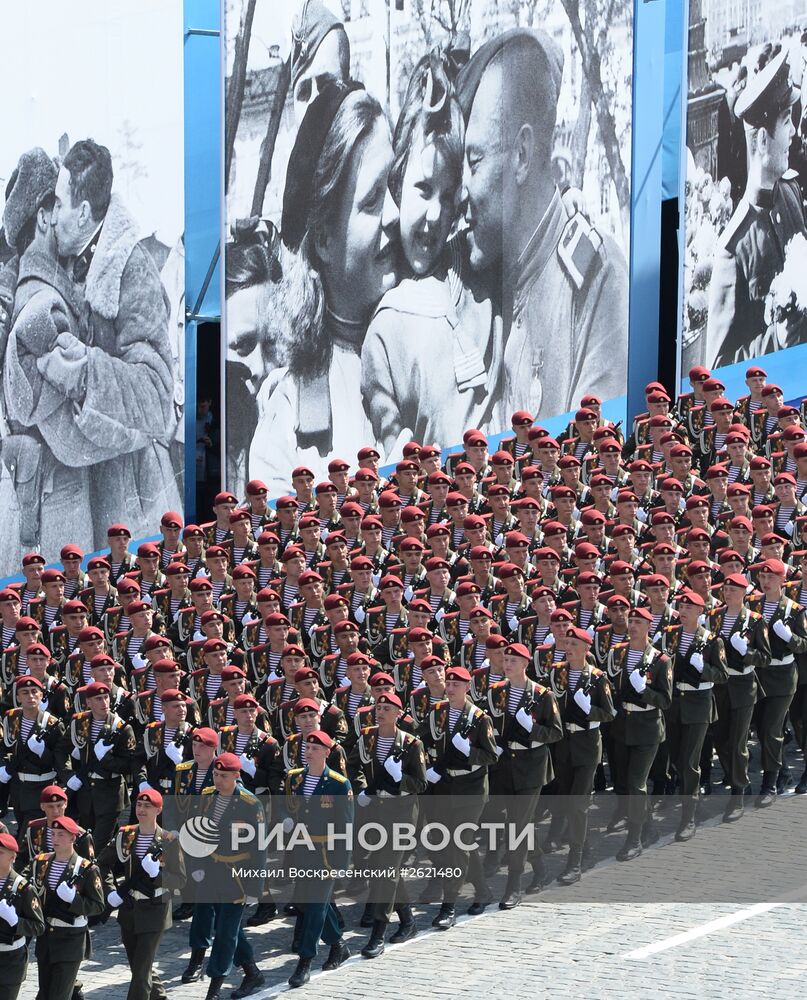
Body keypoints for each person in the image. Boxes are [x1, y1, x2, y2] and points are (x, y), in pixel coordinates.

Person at [455, 28, 628, 421]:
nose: (461, 190)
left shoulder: (596, 279)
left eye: (475, 161)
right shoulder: (485, 278)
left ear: (520, 154)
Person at [248, 79, 399, 491]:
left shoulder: (452, 322)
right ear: (325, 240)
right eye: (373, 201)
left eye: (396, 187)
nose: (396, 214)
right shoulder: (290, 418)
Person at [361, 49, 503, 459]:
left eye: (447, 195)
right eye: (423, 190)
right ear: (398, 180)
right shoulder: (384, 328)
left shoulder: (476, 267)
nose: (435, 215)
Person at [48, 139, 180, 547]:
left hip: (134, 500)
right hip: (89, 495)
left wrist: (86, 370)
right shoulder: (65, 261)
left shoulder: (131, 268)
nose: (52, 218)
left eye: (59, 205)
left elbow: (158, 397)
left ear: (84, 213)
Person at [1, 147, 93, 556]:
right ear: (42, 217)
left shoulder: (29, 287)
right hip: (58, 499)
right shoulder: (43, 300)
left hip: (33, 491)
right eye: (59, 205)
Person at [706, 52, 807, 367]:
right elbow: (717, 371)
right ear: (763, 140)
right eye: (786, 120)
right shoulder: (732, 249)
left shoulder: (790, 192)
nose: (793, 132)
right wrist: (775, 339)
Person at [186, 752, 265, 1000]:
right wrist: (196, 864)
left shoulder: (250, 804)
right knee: (224, 927)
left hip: (237, 875)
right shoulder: (208, 797)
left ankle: (215, 988)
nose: (218, 780)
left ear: (237, 776)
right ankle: (252, 972)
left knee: (225, 933)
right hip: (211, 870)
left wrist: (255, 886)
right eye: (216, 775)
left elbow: (258, 848)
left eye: (224, 776)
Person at [98, 788, 185, 1000]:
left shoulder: (168, 840)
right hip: (129, 908)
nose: (142, 809)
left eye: (148, 806)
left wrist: (157, 875)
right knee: (139, 966)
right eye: (138, 805)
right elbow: (102, 864)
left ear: (158, 810)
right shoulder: (125, 835)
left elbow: (180, 880)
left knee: (140, 973)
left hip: (155, 909)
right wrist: (110, 891)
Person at [285, 729, 353, 989]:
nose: (309, 751)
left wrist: (341, 864)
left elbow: (346, 826)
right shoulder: (294, 779)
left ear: (327, 752)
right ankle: (337, 945)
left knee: (315, 906)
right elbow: (286, 809)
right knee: (306, 904)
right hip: (301, 850)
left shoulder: (338, 783)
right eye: (307, 747)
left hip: (326, 854)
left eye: (315, 748)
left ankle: (305, 960)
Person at [30, 814, 105, 1000]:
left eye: (61, 835)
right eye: (53, 834)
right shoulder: (42, 862)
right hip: (47, 938)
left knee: (58, 996)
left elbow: (97, 906)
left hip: (71, 939)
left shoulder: (86, 868)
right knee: (45, 993)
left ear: (73, 838)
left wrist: (74, 900)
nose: (55, 839)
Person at [0, 830, 45, 1000]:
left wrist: (15, 921)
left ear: (12, 857)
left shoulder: (23, 888)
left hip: (10, 959)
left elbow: (38, 926)